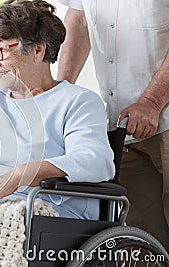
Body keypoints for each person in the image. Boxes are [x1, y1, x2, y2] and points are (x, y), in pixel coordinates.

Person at [0, 0, 115, 220]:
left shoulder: (78, 102)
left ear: (37, 50)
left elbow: (95, 159)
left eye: (0, 52)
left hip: (38, 212)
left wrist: (19, 175)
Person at [56, 0, 169, 248]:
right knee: (143, 241)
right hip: (121, 123)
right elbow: (80, 18)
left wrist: (151, 102)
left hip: (163, 116)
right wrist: (59, 95)